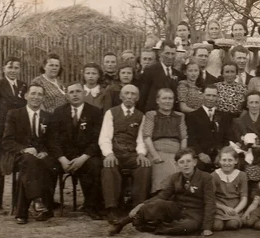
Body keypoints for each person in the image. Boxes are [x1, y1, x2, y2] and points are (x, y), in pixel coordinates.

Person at [108, 148, 215, 237]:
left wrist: (207, 228)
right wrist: (141, 205)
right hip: (177, 209)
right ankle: (121, 223)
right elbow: (162, 196)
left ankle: (152, 227)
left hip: (194, 214)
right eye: (181, 162)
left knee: (186, 227)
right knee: (158, 204)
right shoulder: (175, 178)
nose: (185, 165)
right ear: (177, 165)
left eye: (188, 161)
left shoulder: (206, 178)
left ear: (195, 162)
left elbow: (210, 203)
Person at [2, 84, 58, 224]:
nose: (36, 97)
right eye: (33, 93)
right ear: (26, 96)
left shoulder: (48, 117)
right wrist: (25, 149)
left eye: (40, 94)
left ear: (44, 98)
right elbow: (7, 141)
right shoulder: (14, 114)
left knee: (43, 164)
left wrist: (45, 152)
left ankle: (23, 212)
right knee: (29, 161)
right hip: (19, 155)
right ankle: (38, 201)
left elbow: (52, 141)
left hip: (41, 157)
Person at [49, 82, 103, 219]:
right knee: (47, 164)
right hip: (65, 157)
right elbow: (53, 139)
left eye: (78, 91)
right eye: (71, 92)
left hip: (86, 156)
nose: (75, 95)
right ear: (67, 95)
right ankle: (46, 204)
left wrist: (83, 158)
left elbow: (97, 139)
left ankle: (91, 206)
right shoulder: (59, 112)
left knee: (96, 165)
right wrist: (62, 159)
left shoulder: (95, 112)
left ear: (84, 93)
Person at [98, 84, 152, 224]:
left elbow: (141, 139)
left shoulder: (141, 116)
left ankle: (138, 209)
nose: (129, 97)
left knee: (144, 167)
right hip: (115, 153)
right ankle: (112, 209)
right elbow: (105, 137)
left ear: (137, 98)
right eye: (126, 93)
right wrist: (109, 154)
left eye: (133, 94)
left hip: (131, 154)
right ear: (121, 96)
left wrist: (141, 154)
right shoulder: (111, 113)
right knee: (109, 168)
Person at [0, 57, 28, 214]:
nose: (13, 70)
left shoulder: (23, 86)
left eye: (16, 67)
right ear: (3, 68)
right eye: (10, 67)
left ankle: (19, 202)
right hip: (0, 132)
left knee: (20, 164)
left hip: (17, 132)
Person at [142, 88, 187, 195]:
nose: (167, 101)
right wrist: (155, 155)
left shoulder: (180, 116)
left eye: (170, 98)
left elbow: (184, 137)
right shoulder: (151, 115)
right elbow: (147, 136)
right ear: (158, 100)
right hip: (157, 152)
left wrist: (182, 156)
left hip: (175, 153)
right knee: (161, 181)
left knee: (178, 176)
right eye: (164, 98)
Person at [186, 85, 233, 173]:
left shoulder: (224, 116)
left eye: (214, 96)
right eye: (208, 95)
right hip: (201, 155)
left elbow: (228, 137)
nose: (211, 98)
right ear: (202, 95)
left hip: (220, 155)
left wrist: (221, 154)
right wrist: (200, 154)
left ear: (218, 97)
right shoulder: (192, 116)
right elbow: (191, 138)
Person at [211, 147, 248, 231]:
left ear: (236, 161)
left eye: (230, 160)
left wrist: (235, 210)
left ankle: (233, 220)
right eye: (224, 160)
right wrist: (224, 208)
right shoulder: (214, 175)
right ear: (219, 160)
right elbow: (211, 198)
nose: (227, 163)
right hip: (219, 208)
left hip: (235, 208)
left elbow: (244, 198)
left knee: (232, 224)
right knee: (217, 226)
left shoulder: (242, 175)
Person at [138, 40, 180, 112]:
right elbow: (143, 96)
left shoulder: (178, 74)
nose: (170, 57)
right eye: (167, 53)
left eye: (173, 54)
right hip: (153, 113)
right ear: (160, 53)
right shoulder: (150, 71)